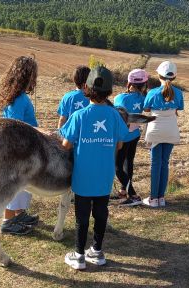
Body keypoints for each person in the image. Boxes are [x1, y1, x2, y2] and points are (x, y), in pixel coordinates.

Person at [60, 66, 128, 270]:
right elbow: (120, 143)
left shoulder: (79, 115)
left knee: (81, 216)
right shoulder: (115, 115)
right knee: (101, 212)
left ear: (86, 88)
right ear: (109, 91)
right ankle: (97, 252)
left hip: (83, 175)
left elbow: (66, 144)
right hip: (104, 175)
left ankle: (79, 256)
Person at [0, 56, 40, 235]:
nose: (35, 79)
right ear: (26, 76)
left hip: (22, 147)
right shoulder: (19, 99)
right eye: (33, 75)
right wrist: (41, 132)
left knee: (24, 185)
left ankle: (19, 214)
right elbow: (16, 126)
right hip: (19, 149)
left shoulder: (16, 96)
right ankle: (8, 220)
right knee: (15, 184)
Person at [143, 61, 184, 208]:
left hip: (155, 129)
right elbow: (179, 107)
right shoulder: (178, 93)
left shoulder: (152, 93)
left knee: (155, 163)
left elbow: (146, 109)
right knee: (165, 163)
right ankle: (161, 198)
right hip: (171, 129)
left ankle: (153, 198)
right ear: (174, 77)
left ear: (158, 75)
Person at [112, 69, 148, 206]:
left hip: (122, 137)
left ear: (129, 82)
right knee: (129, 163)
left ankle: (133, 194)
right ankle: (123, 191)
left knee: (117, 167)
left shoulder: (120, 98)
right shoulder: (143, 98)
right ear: (144, 84)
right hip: (135, 135)